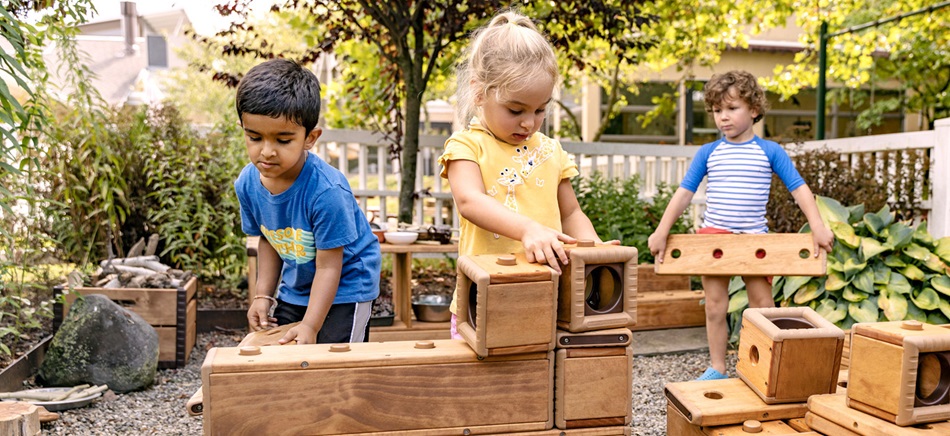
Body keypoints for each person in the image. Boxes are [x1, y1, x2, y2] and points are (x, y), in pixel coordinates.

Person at [647, 70, 834, 381]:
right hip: (714, 238)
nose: (723, 117)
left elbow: (799, 188)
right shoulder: (708, 152)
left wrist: (817, 226)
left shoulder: (770, 151)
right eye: (718, 110)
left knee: (763, 306)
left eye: (732, 109)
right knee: (715, 307)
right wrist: (661, 231)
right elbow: (684, 193)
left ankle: (767, 367)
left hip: (754, 240)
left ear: (754, 109)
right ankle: (718, 367)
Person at [438, 11, 610, 339]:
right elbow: (469, 201)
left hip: (546, 297)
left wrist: (594, 248)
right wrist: (529, 229)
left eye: (540, 109)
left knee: (539, 379)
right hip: (483, 302)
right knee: (486, 386)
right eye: (515, 110)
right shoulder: (466, 146)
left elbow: (571, 212)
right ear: (479, 92)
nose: (528, 122)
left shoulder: (550, 150)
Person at [234, 58, 381, 345]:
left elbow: (330, 266)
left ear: (309, 138)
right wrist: (263, 295)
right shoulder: (247, 184)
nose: (267, 151)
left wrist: (311, 326)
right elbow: (269, 240)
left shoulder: (327, 192)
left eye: (283, 140)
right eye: (254, 137)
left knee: (335, 359)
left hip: (347, 285)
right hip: (299, 283)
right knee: (285, 351)